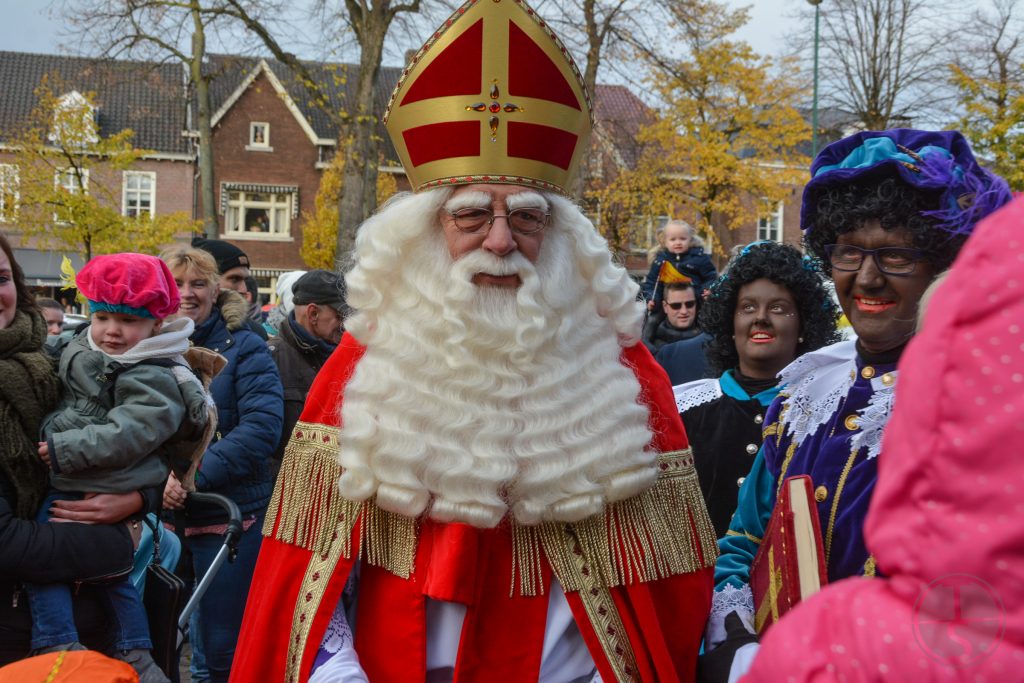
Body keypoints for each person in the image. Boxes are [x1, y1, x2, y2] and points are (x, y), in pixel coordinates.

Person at [231, 2, 717, 681]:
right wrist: (338, 670)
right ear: (428, 230)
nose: (499, 241)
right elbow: (304, 576)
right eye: (470, 216)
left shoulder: (621, 370)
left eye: (524, 217)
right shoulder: (364, 366)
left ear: (556, 233)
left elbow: (673, 584)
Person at [701, 129, 1012, 681]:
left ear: (939, 265)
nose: (866, 278)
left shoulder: (973, 408)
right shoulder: (803, 395)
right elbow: (744, 539)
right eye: (849, 252)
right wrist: (738, 636)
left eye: (894, 254)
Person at [29, 253, 210, 682]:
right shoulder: (90, 347)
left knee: (43, 559)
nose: (112, 331)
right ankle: (134, 647)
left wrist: (65, 448)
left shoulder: (150, 370)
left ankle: (55, 636)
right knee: (113, 574)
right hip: (92, 475)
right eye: (104, 317)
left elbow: (131, 431)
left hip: (89, 475)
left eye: (128, 321)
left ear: (155, 326)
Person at [160, 246, 283, 683]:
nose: (187, 293)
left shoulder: (246, 347)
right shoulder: (146, 346)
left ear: (215, 289)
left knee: (220, 651)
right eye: (176, 283)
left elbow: (262, 427)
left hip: (229, 518)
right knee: (157, 646)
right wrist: (158, 482)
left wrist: (190, 477)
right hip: (162, 521)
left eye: (197, 283)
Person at [674, 241, 840, 539]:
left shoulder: (823, 414)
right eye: (747, 307)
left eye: (778, 308)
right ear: (731, 322)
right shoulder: (682, 407)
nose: (760, 317)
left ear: (804, 326)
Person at [267, 270, 347, 478]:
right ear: (313, 314)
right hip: (287, 489)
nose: (347, 324)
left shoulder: (345, 356)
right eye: (340, 316)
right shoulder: (270, 360)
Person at [191, 237, 267, 341]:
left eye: (245, 280)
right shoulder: (165, 327)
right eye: (234, 279)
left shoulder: (253, 333)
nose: (244, 289)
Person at [640, 220, 717, 308]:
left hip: (694, 304)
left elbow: (710, 277)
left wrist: (706, 290)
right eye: (673, 239)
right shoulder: (660, 261)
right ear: (665, 242)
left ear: (690, 240)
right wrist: (652, 299)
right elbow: (652, 284)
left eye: (683, 239)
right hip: (667, 305)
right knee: (652, 321)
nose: (678, 242)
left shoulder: (699, 258)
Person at [642, 281, 703, 353]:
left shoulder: (712, 344)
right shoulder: (648, 349)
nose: (684, 311)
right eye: (676, 306)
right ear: (665, 307)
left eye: (690, 304)